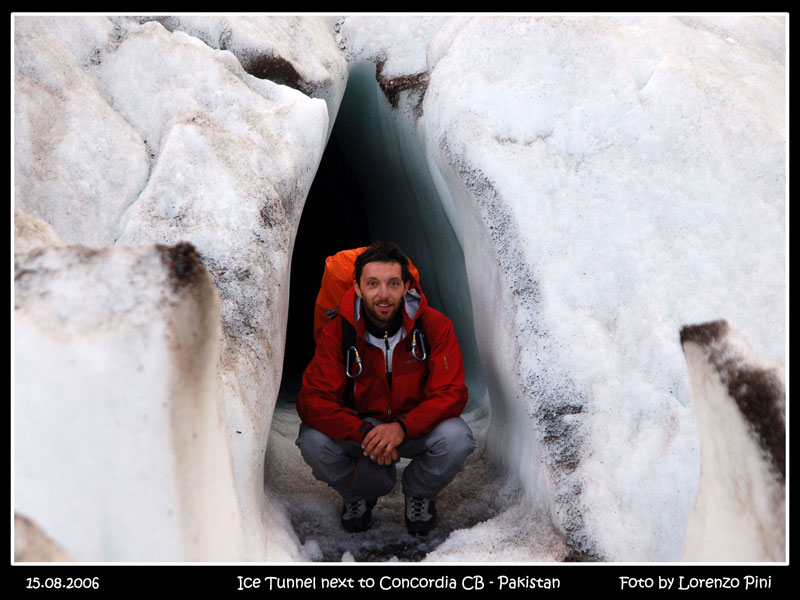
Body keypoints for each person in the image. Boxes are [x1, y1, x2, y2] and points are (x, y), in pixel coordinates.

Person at [295, 241, 475, 535]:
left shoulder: (434, 326)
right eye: (373, 283)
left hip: (414, 427)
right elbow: (313, 401)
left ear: (406, 286)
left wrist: (402, 428)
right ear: (357, 287)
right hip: (363, 429)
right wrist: (364, 433)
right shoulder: (338, 333)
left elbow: (451, 393)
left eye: (393, 283)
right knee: (312, 440)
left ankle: (419, 491)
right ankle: (358, 494)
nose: (383, 294)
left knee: (457, 437)